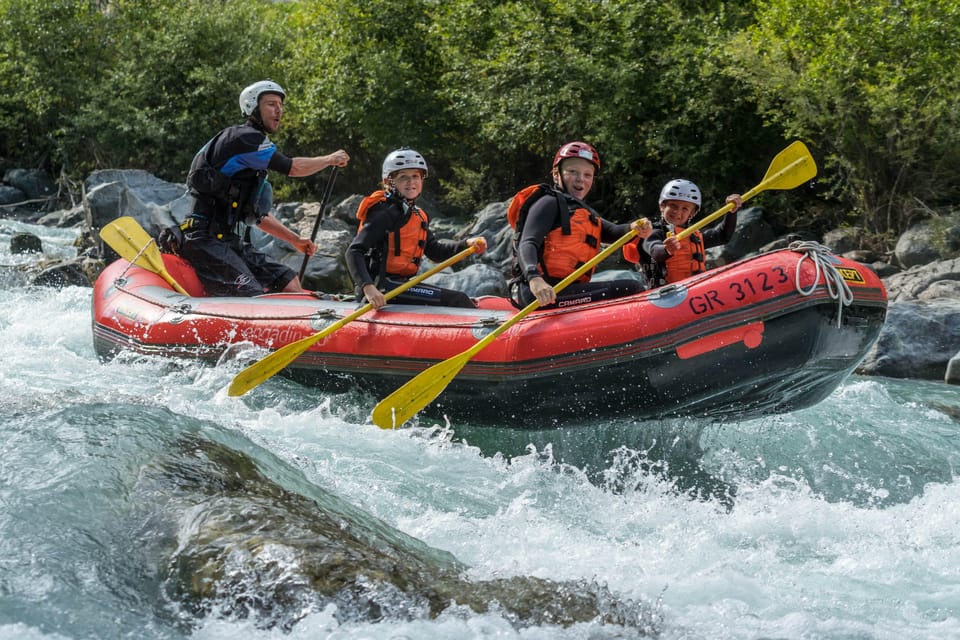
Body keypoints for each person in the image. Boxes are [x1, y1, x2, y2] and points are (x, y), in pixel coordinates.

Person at [178, 80, 350, 296]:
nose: (278, 110)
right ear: (253, 108)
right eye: (271, 104)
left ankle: (294, 328)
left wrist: (295, 240)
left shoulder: (249, 161)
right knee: (253, 293)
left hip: (227, 240)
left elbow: (257, 216)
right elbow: (293, 168)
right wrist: (329, 159)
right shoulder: (244, 138)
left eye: (280, 104)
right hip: (202, 239)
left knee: (289, 282)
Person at [510, 140, 653, 309]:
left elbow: (614, 232)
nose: (581, 180)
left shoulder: (584, 213)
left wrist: (634, 227)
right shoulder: (547, 202)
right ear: (556, 174)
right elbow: (528, 243)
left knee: (631, 284)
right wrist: (535, 279)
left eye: (587, 175)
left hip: (566, 290)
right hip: (541, 293)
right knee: (631, 287)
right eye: (572, 172)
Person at [345, 147, 487, 309]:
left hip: (401, 285)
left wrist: (467, 244)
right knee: (457, 300)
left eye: (415, 176)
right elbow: (354, 251)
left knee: (458, 298)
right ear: (388, 182)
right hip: (382, 287)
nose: (411, 182)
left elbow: (436, 251)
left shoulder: (417, 214)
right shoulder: (384, 212)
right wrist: (368, 288)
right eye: (403, 177)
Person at [630, 179, 742, 287]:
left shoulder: (693, 236)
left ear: (691, 214)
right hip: (664, 294)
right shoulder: (653, 231)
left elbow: (723, 236)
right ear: (662, 206)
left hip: (694, 287)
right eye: (673, 205)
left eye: (685, 209)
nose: (678, 212)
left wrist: (731, 212)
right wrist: (667, 249)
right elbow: (654, 250)